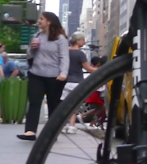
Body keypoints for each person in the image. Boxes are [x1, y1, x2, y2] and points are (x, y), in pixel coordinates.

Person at [19, 12, 69, 141]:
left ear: (49, 22)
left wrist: (63, 73)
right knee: (34, 102)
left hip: (55, 76)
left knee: (53, 104)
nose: (39, 21)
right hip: (36, 74)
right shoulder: (37, 36)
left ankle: (52, 133)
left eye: (42, 19)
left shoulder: (60, 39)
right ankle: (30, 132)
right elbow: (29, 55)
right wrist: (32, 47)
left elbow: (64, 57)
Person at [62, 33, 97, 133]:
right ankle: (71, 126)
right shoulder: (80, 54)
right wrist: (101, 69)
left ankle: (62, 124)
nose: (84, 42)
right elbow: (88, 68)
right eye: (82, 39)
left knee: (65, 105)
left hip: (64, 81)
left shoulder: (65, 52)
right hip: (76, 82)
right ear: (77, 41)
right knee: (75, 105)